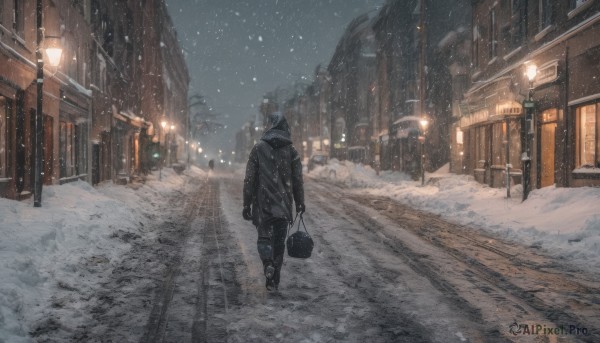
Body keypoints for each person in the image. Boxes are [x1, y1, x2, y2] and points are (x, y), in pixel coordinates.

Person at [243, 112, 305, 291]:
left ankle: (267, 264)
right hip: (283, 205)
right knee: (279, 243)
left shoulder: (258, 148)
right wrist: (300, 202)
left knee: (264, 238)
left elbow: (249, 179)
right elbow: (297, 180)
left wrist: (247, 203)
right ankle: (274, 277)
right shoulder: (291, 151)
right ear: (286, 129)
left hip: (263, 205)